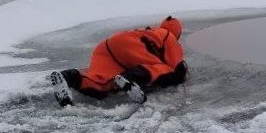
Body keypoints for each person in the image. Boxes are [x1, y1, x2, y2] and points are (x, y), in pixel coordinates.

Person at [50, 16, 188, 106]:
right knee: (162, 69)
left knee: (102, 83)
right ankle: (131, 78)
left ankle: (69, 77)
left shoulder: (150, 31)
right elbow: (175, 67)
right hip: (132, 46)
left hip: (107, 46)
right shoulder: (169, 36)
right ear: (177, 33)